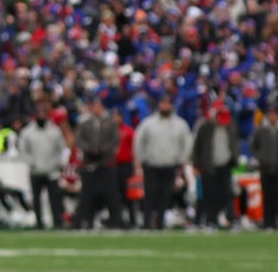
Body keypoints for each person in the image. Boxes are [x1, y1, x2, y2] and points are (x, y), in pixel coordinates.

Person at [133, 96, 192, 231]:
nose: (165, 106)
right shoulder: (148, 123)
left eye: (168, 103)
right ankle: (147, 222)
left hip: (170, 164)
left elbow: (187, 142)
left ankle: (161, 222)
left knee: (166, 195)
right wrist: (140, 159)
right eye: (163, 103)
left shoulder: (180, 124)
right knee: (150, 194)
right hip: (151, 164)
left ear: (172, 106)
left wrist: (182, 160)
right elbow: (139, 141)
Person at [74, 95, 124, 229]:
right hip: (89, 163)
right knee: (87, 195)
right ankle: (83, 221)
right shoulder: (85, 124)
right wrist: (89, 149)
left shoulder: (110, 123)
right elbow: (79, 140)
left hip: (105, 162)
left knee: (111, 194)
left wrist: (103, 150)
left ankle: (116, 221)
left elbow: (114, 140)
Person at [17, 102, 69, 229]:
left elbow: (62, 149)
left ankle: (57, 222)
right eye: (39, 113)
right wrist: (32, 163)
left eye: (43, 113)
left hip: (51, 170)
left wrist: (60, 163)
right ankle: (39, 223)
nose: (41, 115)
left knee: (54, 199)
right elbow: (23, 150)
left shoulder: (54, 131)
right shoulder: (28, 132)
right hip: (35, 171)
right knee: (36, 199)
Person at [191, 103, 240, 229]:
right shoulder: (205, 128)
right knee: (210, 195)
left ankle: (232, 219)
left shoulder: (231, 127)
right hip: (208, 166)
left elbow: (234, 144)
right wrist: (196, 165)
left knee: (228, 194)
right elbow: (197, 148)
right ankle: (211, 220)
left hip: (226, 165)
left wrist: (235, 159)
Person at [250, 108, 278, 231]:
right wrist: (261, 158)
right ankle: (268, 223)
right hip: (265, 168)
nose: (272, 117)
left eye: (274, 115)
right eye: (270, 115)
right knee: (267, 197)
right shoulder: (261, 130)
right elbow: (253, 146)